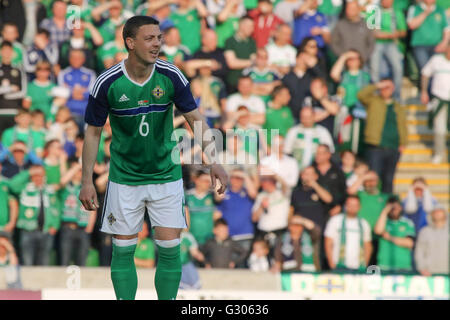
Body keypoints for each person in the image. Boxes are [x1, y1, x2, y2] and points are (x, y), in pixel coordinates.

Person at [79, 16, 228, 301]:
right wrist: (87, 180)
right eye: (149, 38)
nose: (157, 43)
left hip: (166, 175)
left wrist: (215, 161)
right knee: (123, 249)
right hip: (124, 178)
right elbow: (93, 134)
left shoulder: (172, 75)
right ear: (130, 43)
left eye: (159, 37)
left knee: (171, 248)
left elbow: (195, 119)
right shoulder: (107, 82)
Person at [357, 80, 408, 194]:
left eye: (388, 87)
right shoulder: (373, 101)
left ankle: (386, 201)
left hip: (393, 147)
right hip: (376, 145)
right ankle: (372, 198)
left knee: (389, 178)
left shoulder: (397, 107)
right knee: (374, 176)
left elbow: (402, 126)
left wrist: (403, 142)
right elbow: (361, 95)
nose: (385, 90)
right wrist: (377, 85)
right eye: (383, 87)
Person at [12, 165, 61, 266]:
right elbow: (12, 185)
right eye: (36, 175)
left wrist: (55, 225)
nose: (38, 178)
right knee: (27, 263)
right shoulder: (25, 188)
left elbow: (56, 208)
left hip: (46, 231)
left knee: (44, 263)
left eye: (41, 175)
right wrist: (29, 172)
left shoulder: (49, 190)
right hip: (28, 231)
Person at [59, 160, 96, 266]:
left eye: (80, 171)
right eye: (76, 171)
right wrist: (76, 166)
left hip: (83, 228)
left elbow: (93, 208)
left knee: (82, 260)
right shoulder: (66, 186)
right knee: (65, 260)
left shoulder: (88, 188)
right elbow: (62, 181)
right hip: (67, 227)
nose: (78, 173)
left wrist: (90, 226)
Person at [324, 195, 372, 271]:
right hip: (338, 266)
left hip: (359, 267)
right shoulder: (335, 220)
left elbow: (367, 246)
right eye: (350, 205)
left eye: (355, 205)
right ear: (345, 206)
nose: (352, 207)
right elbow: (328, 243)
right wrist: (331, 264)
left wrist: (365, 264)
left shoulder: (364, 224)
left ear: (359, 207)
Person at [370, 0, 406, 99]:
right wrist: (386, 34)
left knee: (398, 68)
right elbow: (370, 30)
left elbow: (403, 31)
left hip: (391, 43)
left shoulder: (396, 12)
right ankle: (376, 94)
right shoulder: (374, 11)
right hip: (376, 44)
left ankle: (396, 95)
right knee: (374, 69)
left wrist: (394, 34)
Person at [215, 168, 257, 256]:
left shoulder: (247, 193)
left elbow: (254, 193)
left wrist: (245, 175)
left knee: (243, 265)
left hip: (245, 235)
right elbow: (218, 197)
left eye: (239, 178)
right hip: (228, 237)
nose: (236, 180)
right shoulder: (225, 193)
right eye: (234, 177)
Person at [420, 44, 450, 164]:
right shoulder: (436, 60)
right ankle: (439, 153)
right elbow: (425, 74)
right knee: (439, 128)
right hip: (439, 99)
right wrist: (423, 92)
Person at [57, 49, 97, 131]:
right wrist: (80, 92)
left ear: (83, 59)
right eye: (73, 57)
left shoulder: (90, 74)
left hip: (86, 113)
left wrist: (72, 91)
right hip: (68, 115)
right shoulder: (63, 73)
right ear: (69, 59)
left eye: (78, 58)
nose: (76, 60)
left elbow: (93, 94)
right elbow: (62, 93)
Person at [282, 50, 326, 123]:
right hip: (291, 115)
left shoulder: (311, 77)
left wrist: (314, 66)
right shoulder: (287, 77)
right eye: (302, 58)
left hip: (307, 116)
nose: (304, 61)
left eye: (307, 59)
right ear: (296, 59)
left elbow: (323, 80)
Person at [374, 197, 416, 272]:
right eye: (391, 208)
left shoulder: (407, 223)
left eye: (396, 207)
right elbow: (378, 231)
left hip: (403, 266)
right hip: (384, 266)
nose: (394, 210)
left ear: (400, 207)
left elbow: (409, 243)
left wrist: (389, 237)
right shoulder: (383, 221)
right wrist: (385, 211)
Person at [407, 0, 450, 72]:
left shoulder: (440, 10)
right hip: (420, 46)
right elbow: (412, 25)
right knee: (425, 71)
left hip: (437, 46)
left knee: (436, 71)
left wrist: (444, 43)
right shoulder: (414, 9)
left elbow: (446, 28)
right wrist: (426, 13)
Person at [252, 174, 290, 248]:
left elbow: (285, 186)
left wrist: (274, 175)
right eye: (262, 180)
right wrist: (261, 206)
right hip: (263, 233)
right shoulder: (260, 196)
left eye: (266, 180)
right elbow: (254, 218)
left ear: (273, 182)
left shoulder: (282, 193)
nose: (262, 183)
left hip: (279, 232)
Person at [290, 165, 333, 231]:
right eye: (305, 174)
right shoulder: (296, 192)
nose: (307, 177)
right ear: (301, 176)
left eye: (310, 174)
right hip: (300, 229)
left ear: (316, 176)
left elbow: (328, 199)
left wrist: (314, 185)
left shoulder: (321, 189)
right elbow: (291, 211)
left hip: (317, 229)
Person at [184, 170, 221, 246]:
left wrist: (214, 179)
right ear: (197, 181)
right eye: (205, 181)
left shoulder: (211, 196)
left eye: (209, 181)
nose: (208, 183)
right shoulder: (188, 196)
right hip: (192, 239)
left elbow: (220, 195)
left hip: (209, 239)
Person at [224, 16, 257, 92]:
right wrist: (251, 62)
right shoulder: (230, 41)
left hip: (248, 82)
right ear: (241, 25)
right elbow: (232, 63)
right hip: (233, 82)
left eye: (252, 26)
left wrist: (251, 62)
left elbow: (254, 59)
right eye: (249, 26)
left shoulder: (252, 42)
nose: (252, 29)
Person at [0, 41, 27, 133]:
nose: (7, 53)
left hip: (14, 112)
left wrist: (6, 95)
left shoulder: (19, 70)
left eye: (9, 51)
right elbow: (13, 89)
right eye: (4, 50)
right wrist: (10, 89)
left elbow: (23, 92)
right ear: (1, 52)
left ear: (13, 52)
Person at [313, 144, 347, 217]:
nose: (317, 155)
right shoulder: (311, 170)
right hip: (315, 210)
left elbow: (343, 190)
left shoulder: (337, 172)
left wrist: (339, 206)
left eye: (320, 153)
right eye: (316, 153)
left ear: (328, 155)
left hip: (334, 211)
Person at [415, 208, 449, 276]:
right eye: (435, 212)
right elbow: (419, 251)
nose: (437, 213)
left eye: (439, 211)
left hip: (447, 272)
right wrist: (422, 268)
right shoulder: (424, 231)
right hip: (430, 273)